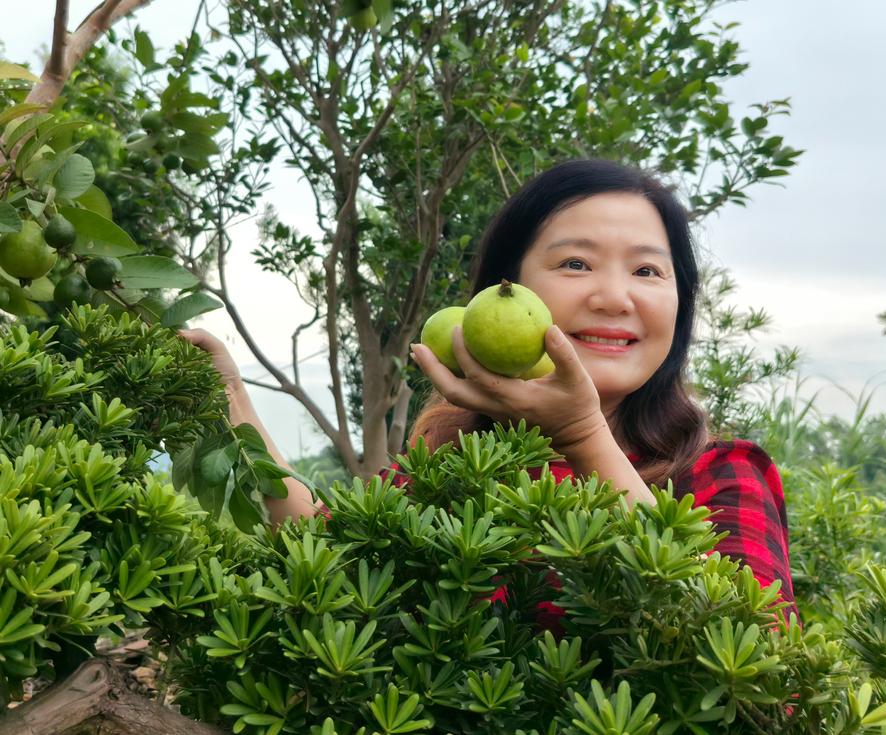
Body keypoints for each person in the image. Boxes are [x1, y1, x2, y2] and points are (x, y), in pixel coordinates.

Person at [180, 159, 797, 618]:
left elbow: (759, 657)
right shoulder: (455, 463)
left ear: (680, 305)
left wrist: (582, 434)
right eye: (575, 263)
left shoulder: (718, 475)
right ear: (504, 291)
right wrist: (232, 398)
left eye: (647, 270)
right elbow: (323, 552)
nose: (614, 297)